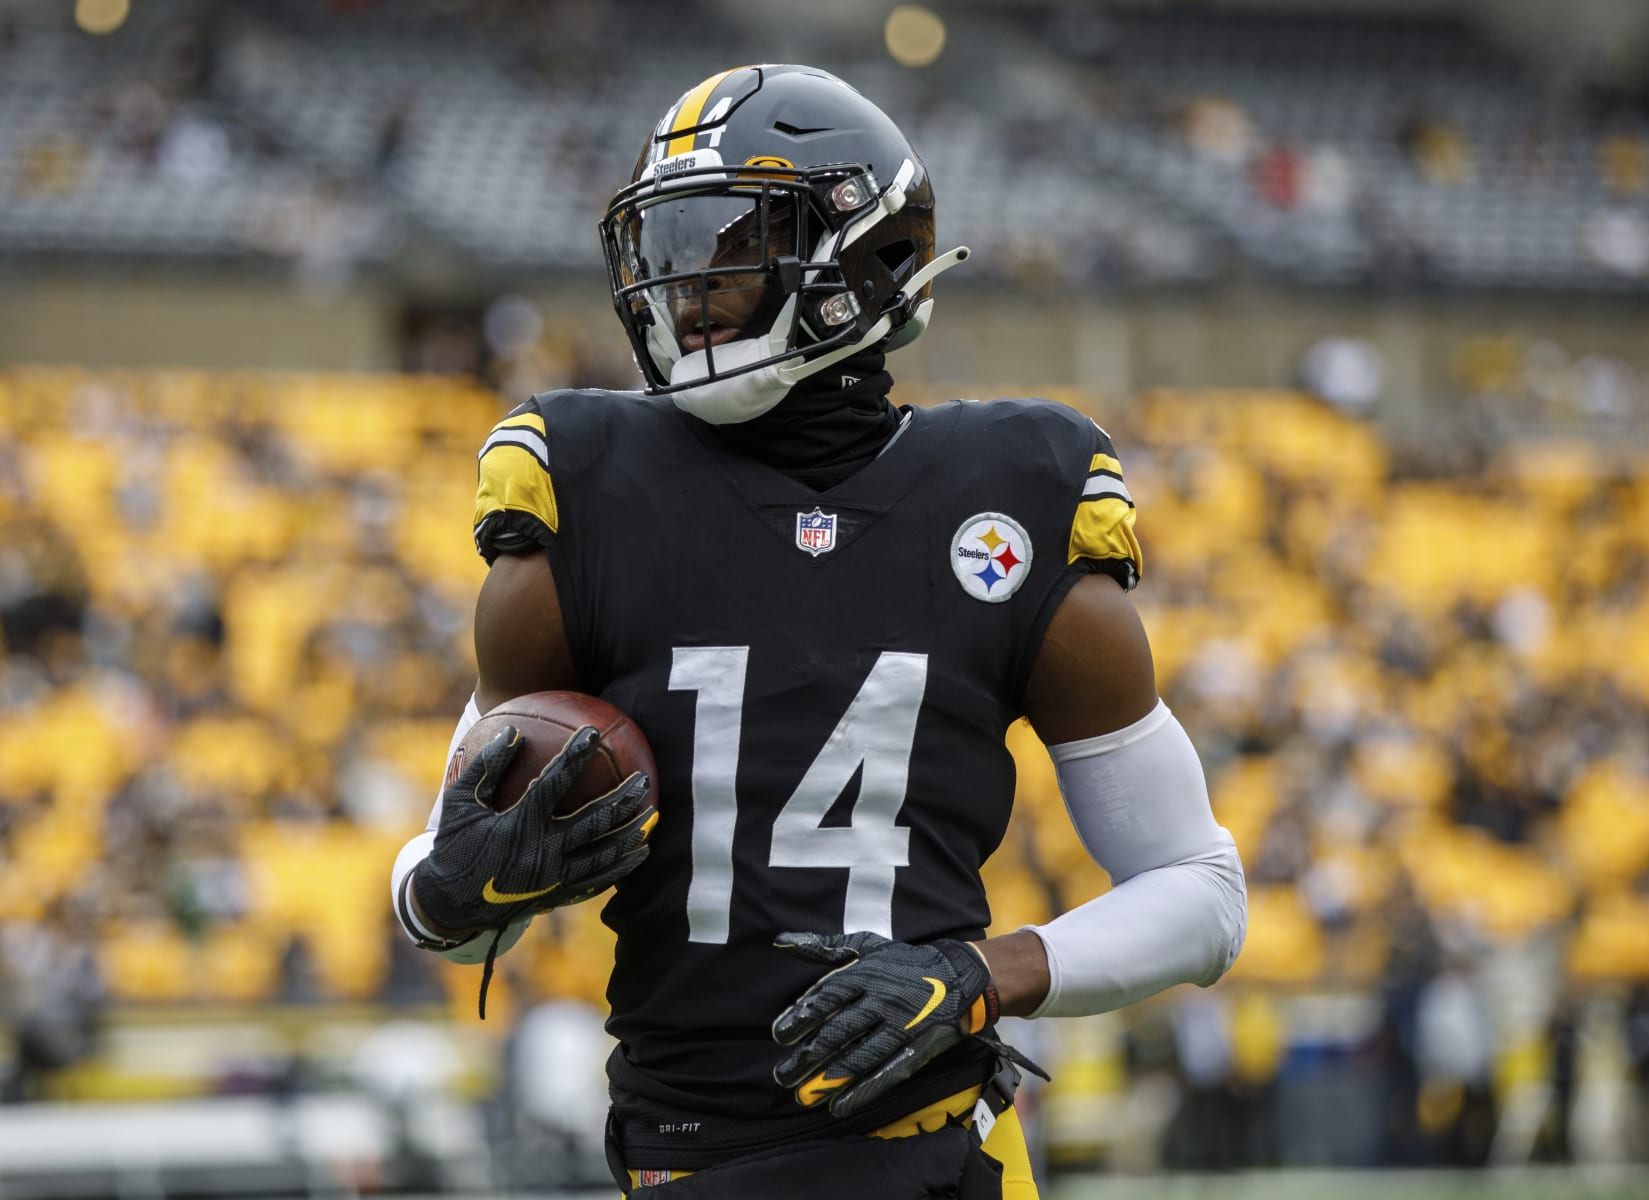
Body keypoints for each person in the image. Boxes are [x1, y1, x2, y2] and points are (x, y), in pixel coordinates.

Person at [390, 64, 1248, 1198]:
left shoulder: (1009, 497)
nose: (683, 286)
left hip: (937, 1150)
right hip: (687, 1160)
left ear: (862, 259)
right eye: (668, 246)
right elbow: (451, 898)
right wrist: (445, 893)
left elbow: (1201, 893)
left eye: (727, 241)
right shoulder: (589, 503)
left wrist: (982, 975)